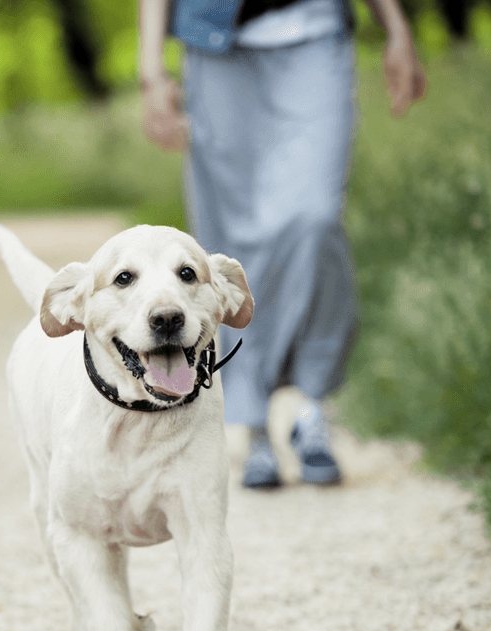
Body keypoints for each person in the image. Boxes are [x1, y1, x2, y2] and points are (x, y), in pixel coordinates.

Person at [138, 0, 425, 487]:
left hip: (316, 34)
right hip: (214, 44)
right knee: (234, 238)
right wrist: (150, 71)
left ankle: (310, 403)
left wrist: (397, 29)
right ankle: (253, 424)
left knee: (314, 218)